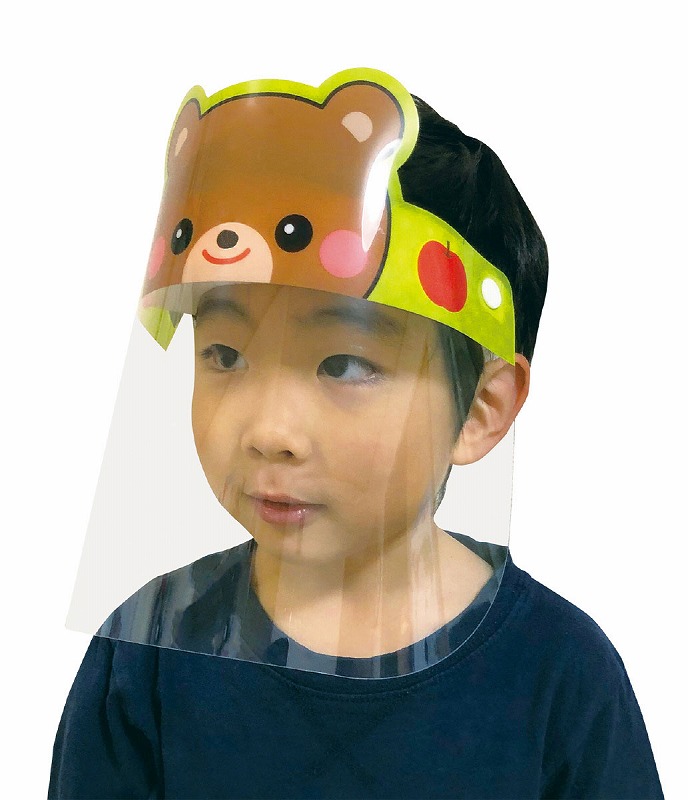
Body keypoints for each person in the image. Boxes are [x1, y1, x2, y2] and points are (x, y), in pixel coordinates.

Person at [49, 69, 663, 798]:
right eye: (225, 354)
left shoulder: (560, 677)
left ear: (480, 408)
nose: (269, 431)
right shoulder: (149, 654)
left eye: (343, 364)